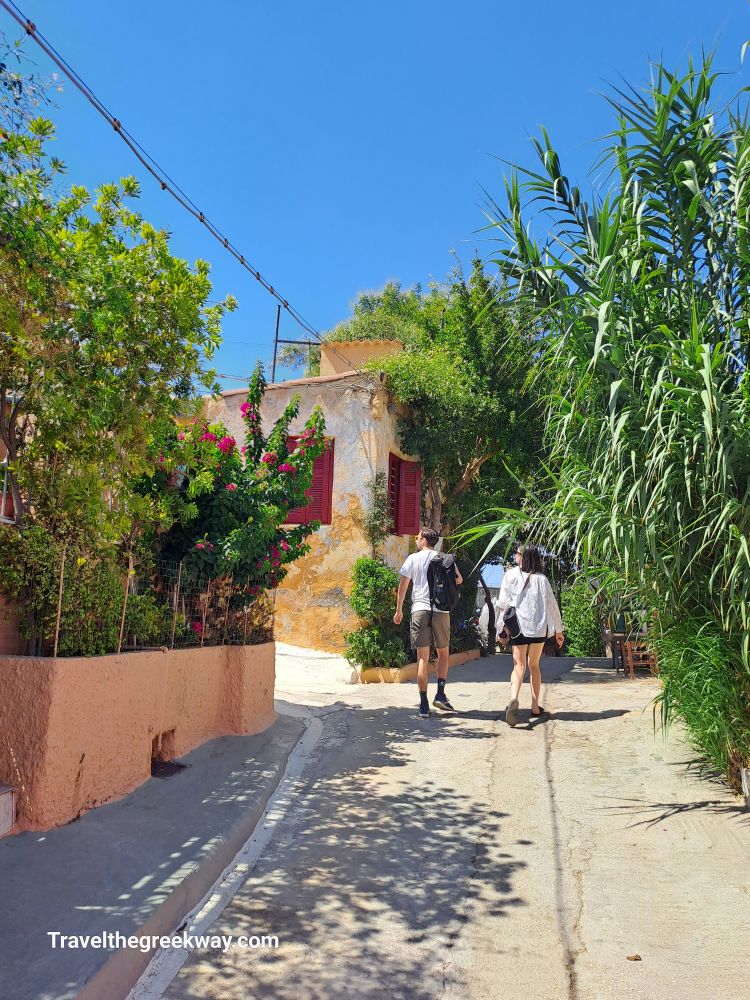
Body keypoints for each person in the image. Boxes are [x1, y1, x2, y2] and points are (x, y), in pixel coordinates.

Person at [393, 527, 463, 718]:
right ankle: (440, 693)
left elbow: (404, 585)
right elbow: (459, 579)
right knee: (443, 654)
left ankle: (424, 704)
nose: (416, 540)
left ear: (424, 540)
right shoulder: (444, 558)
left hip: (419, 610)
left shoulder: (413, 559)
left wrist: (399, 609)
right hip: (440, 610)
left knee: (422, 657)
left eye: (417, 537)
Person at [497, 543, 563, 726]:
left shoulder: (510, 575)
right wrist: (559, 630)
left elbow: (503, 602)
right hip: (539, 629)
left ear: (524, 556)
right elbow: (552, 606)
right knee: (534, 665)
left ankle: (513, 699)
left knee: (519, 665)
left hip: (519, 628)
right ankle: (535, 706)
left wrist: (500, 627)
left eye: (517, 553)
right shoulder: (542, 579)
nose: (515, 556)